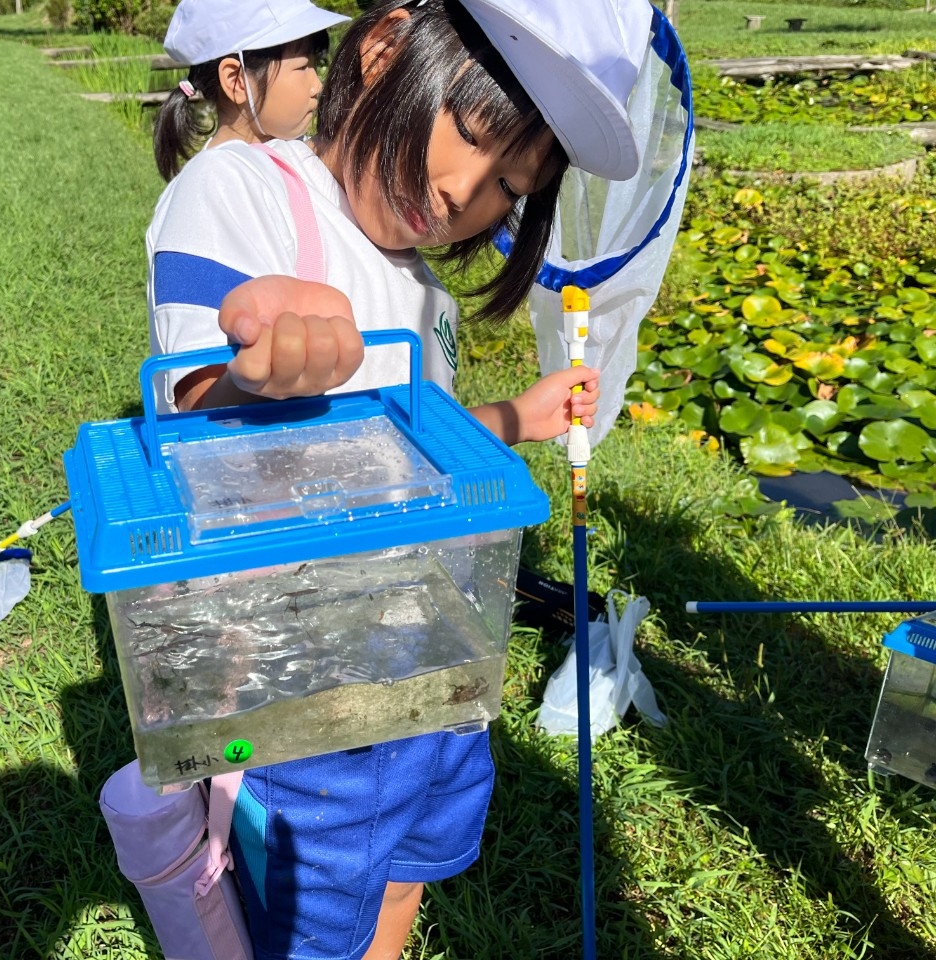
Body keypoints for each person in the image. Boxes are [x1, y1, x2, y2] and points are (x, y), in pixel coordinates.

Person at [144, 0, 653, 957]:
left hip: (440, 677)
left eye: (508, 182)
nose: (467, 191)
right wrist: (255, 370)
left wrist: (518, 419)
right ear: (381, 52)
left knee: (406, 881)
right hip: (307, 703)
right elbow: (194, 403)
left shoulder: (423, 290)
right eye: (467, 132)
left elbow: (415, 443)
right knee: (314, 923)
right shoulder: (243, 189)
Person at [154, 0, 349, 181]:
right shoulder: (219, 187)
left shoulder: (301, 153)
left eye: (315, 65)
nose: (317, 85)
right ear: (236, 81)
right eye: (302, 67)